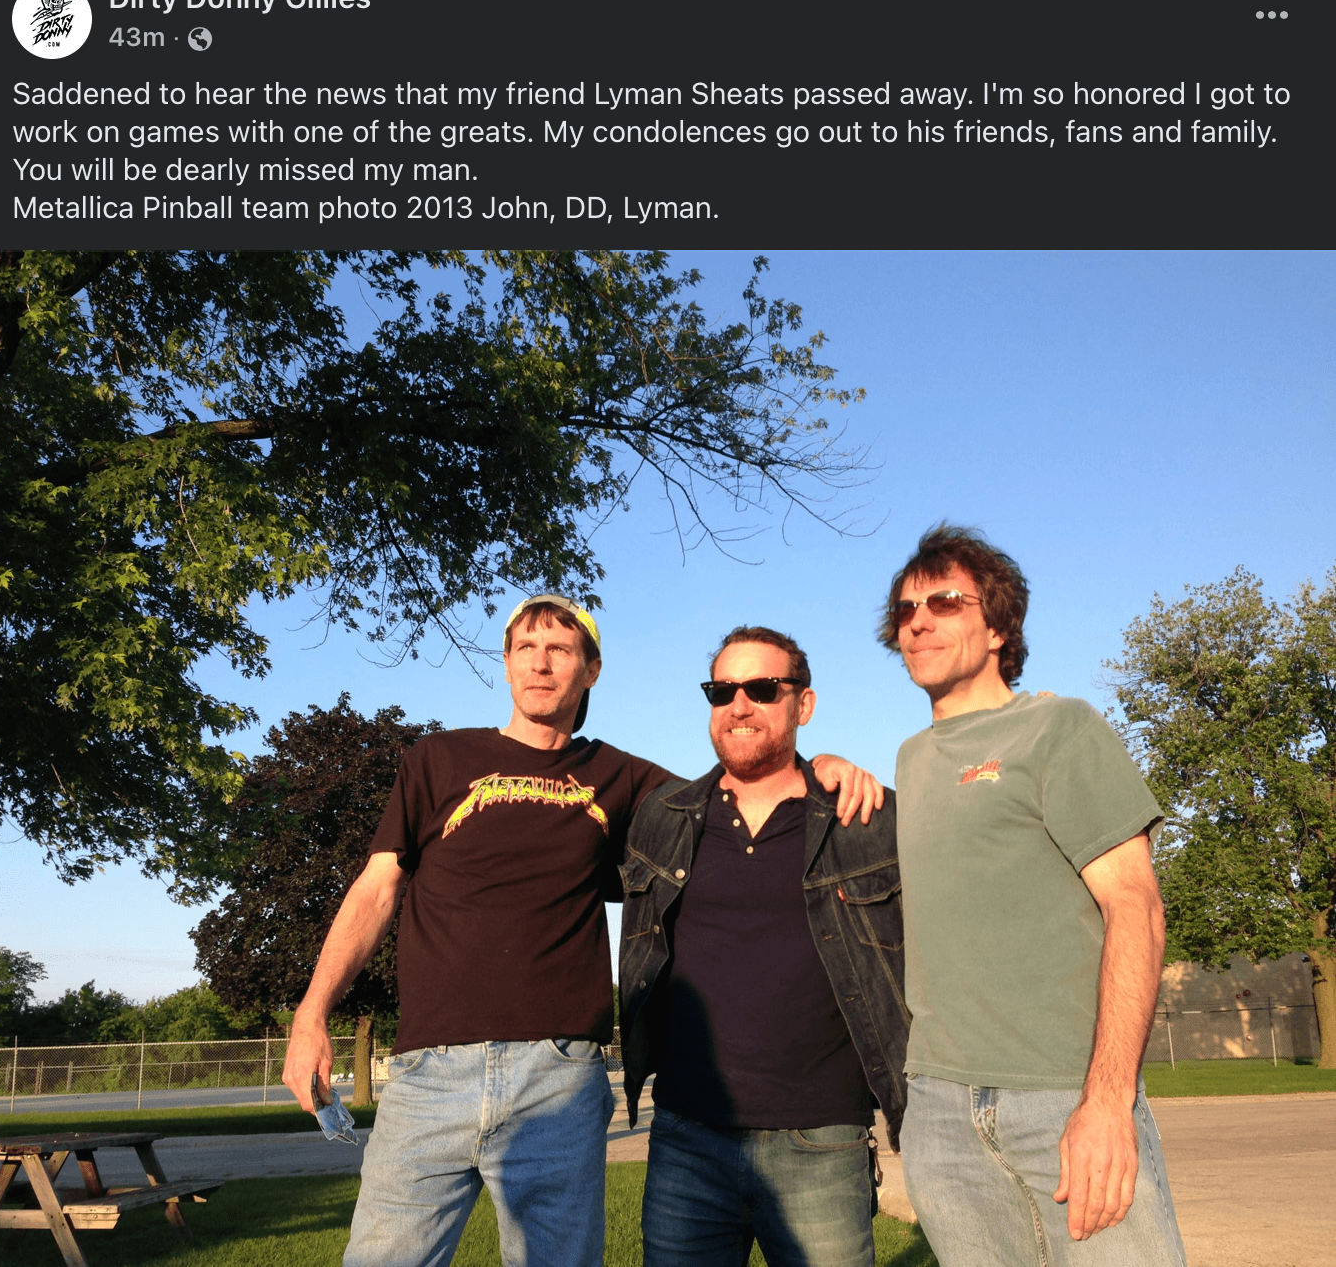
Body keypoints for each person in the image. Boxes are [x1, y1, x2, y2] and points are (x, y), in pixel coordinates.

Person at [282, 595, 879, 1267]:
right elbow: (377, 887)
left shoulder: (620, 778)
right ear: (506, 665)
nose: (541, 663)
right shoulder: (437, 760)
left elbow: (740, 795)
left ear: (590, 670)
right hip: (428, 1074)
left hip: (557, 1076)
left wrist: (820, 767)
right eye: (525, 649)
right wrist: (312, 1014)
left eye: (561, 649)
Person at [879, 525, 1186, 1266]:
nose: (918, 619)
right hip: (941, 1111)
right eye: (905, 608)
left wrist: (1108, 1102)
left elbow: (1136, 907)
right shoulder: (912, 760)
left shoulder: (1058, 726)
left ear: (997, 627)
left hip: (1063, 1099)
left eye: (945, 601)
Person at [619, 626, 907, 1267]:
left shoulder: (866, 819)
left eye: (761, 688)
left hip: (822, 1142)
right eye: (722, 690)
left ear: (803, 705)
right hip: (686, 1139)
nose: (739, 705)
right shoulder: (661, 817)